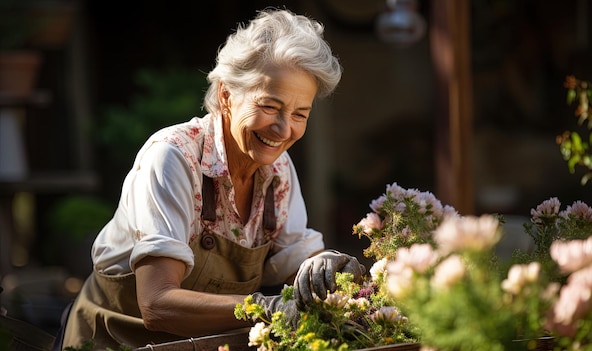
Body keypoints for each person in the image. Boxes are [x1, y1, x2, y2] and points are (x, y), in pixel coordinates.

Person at [59, 8, 365, 350]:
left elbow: (295, 259)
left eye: (299, 114)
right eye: (269, 106)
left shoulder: (277, 171)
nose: (283, 129)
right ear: (225, 96)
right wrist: (266, 308)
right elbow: (157, 305)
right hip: (115, 343)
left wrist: (322, 266)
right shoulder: (173, 157)